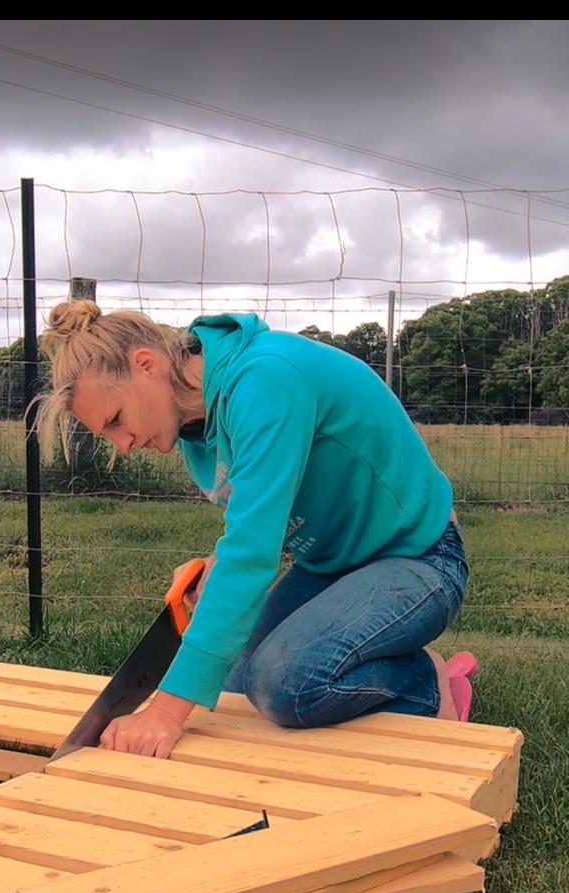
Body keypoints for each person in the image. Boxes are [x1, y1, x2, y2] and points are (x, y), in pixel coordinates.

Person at [34, 301, 477, 759]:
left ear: (146, 365)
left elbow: (252, 556)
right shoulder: (195, 429)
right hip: (329, 567)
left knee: (285, 685)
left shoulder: (266, 380)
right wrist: (216, 567)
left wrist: (163, 713)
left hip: (420, 559)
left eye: (116, 421)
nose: (123, 445)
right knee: (234, 687)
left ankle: (426, 684)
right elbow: (255, 523)